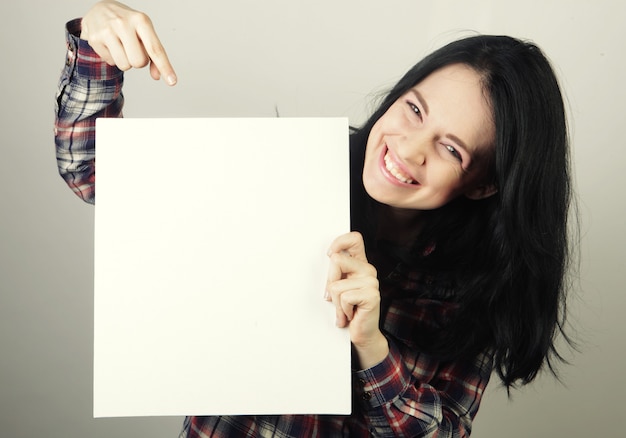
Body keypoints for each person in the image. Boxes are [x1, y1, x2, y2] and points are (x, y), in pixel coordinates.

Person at [54, 1, 574, 437]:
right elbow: (95, 176)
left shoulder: (477, 289)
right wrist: (98, 44)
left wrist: (373, 346)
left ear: (483, 183)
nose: (408, 149)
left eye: (452, 149)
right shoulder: (288, 173)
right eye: (415, 110)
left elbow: (443, 429)